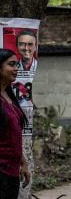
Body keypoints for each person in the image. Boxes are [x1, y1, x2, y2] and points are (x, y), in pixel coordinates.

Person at [0, 49, 30, 196]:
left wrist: (23, 162)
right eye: (11, 64)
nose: (16, 69)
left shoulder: (8, 95)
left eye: (17, 64)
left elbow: (13, 136)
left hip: (12, 171)